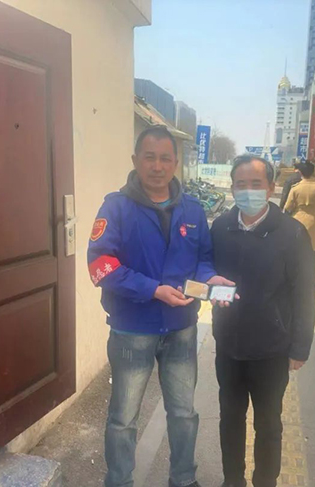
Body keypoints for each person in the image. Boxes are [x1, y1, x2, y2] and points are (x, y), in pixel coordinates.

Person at [88, 125, 234, 487]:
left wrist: (211, 278)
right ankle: (119, 481)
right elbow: (100, 265)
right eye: (149, 157)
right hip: (131, 329)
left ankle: (183, 479)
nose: (157, 166)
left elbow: (202, 260)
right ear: (135, 160)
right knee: (123, 418)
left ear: (176, 163)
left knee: (184, 413)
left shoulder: (193, 210)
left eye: (165, 158)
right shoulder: (116, 207)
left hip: (181, 327)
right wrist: (153, 290)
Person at [210, 155, 315, 487]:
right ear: (232, 188)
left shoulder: (292, 233)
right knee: (230, 419)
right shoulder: (221, 228)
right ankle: (233, 479)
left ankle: (265, 481)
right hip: (229, 347)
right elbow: (208, 275)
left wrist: (300, 347)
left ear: (271, 187)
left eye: (256, 184)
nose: (248, 191)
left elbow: (304, 294)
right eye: (241, 184)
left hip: (271, 349)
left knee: (269, 424)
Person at [284, 161, 315, 253]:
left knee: (298, 249)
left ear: (300, 172)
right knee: (312, 249)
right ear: (313, 172)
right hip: (313, 220)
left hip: (297, 219)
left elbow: (288, 206)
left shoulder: (295, 188)